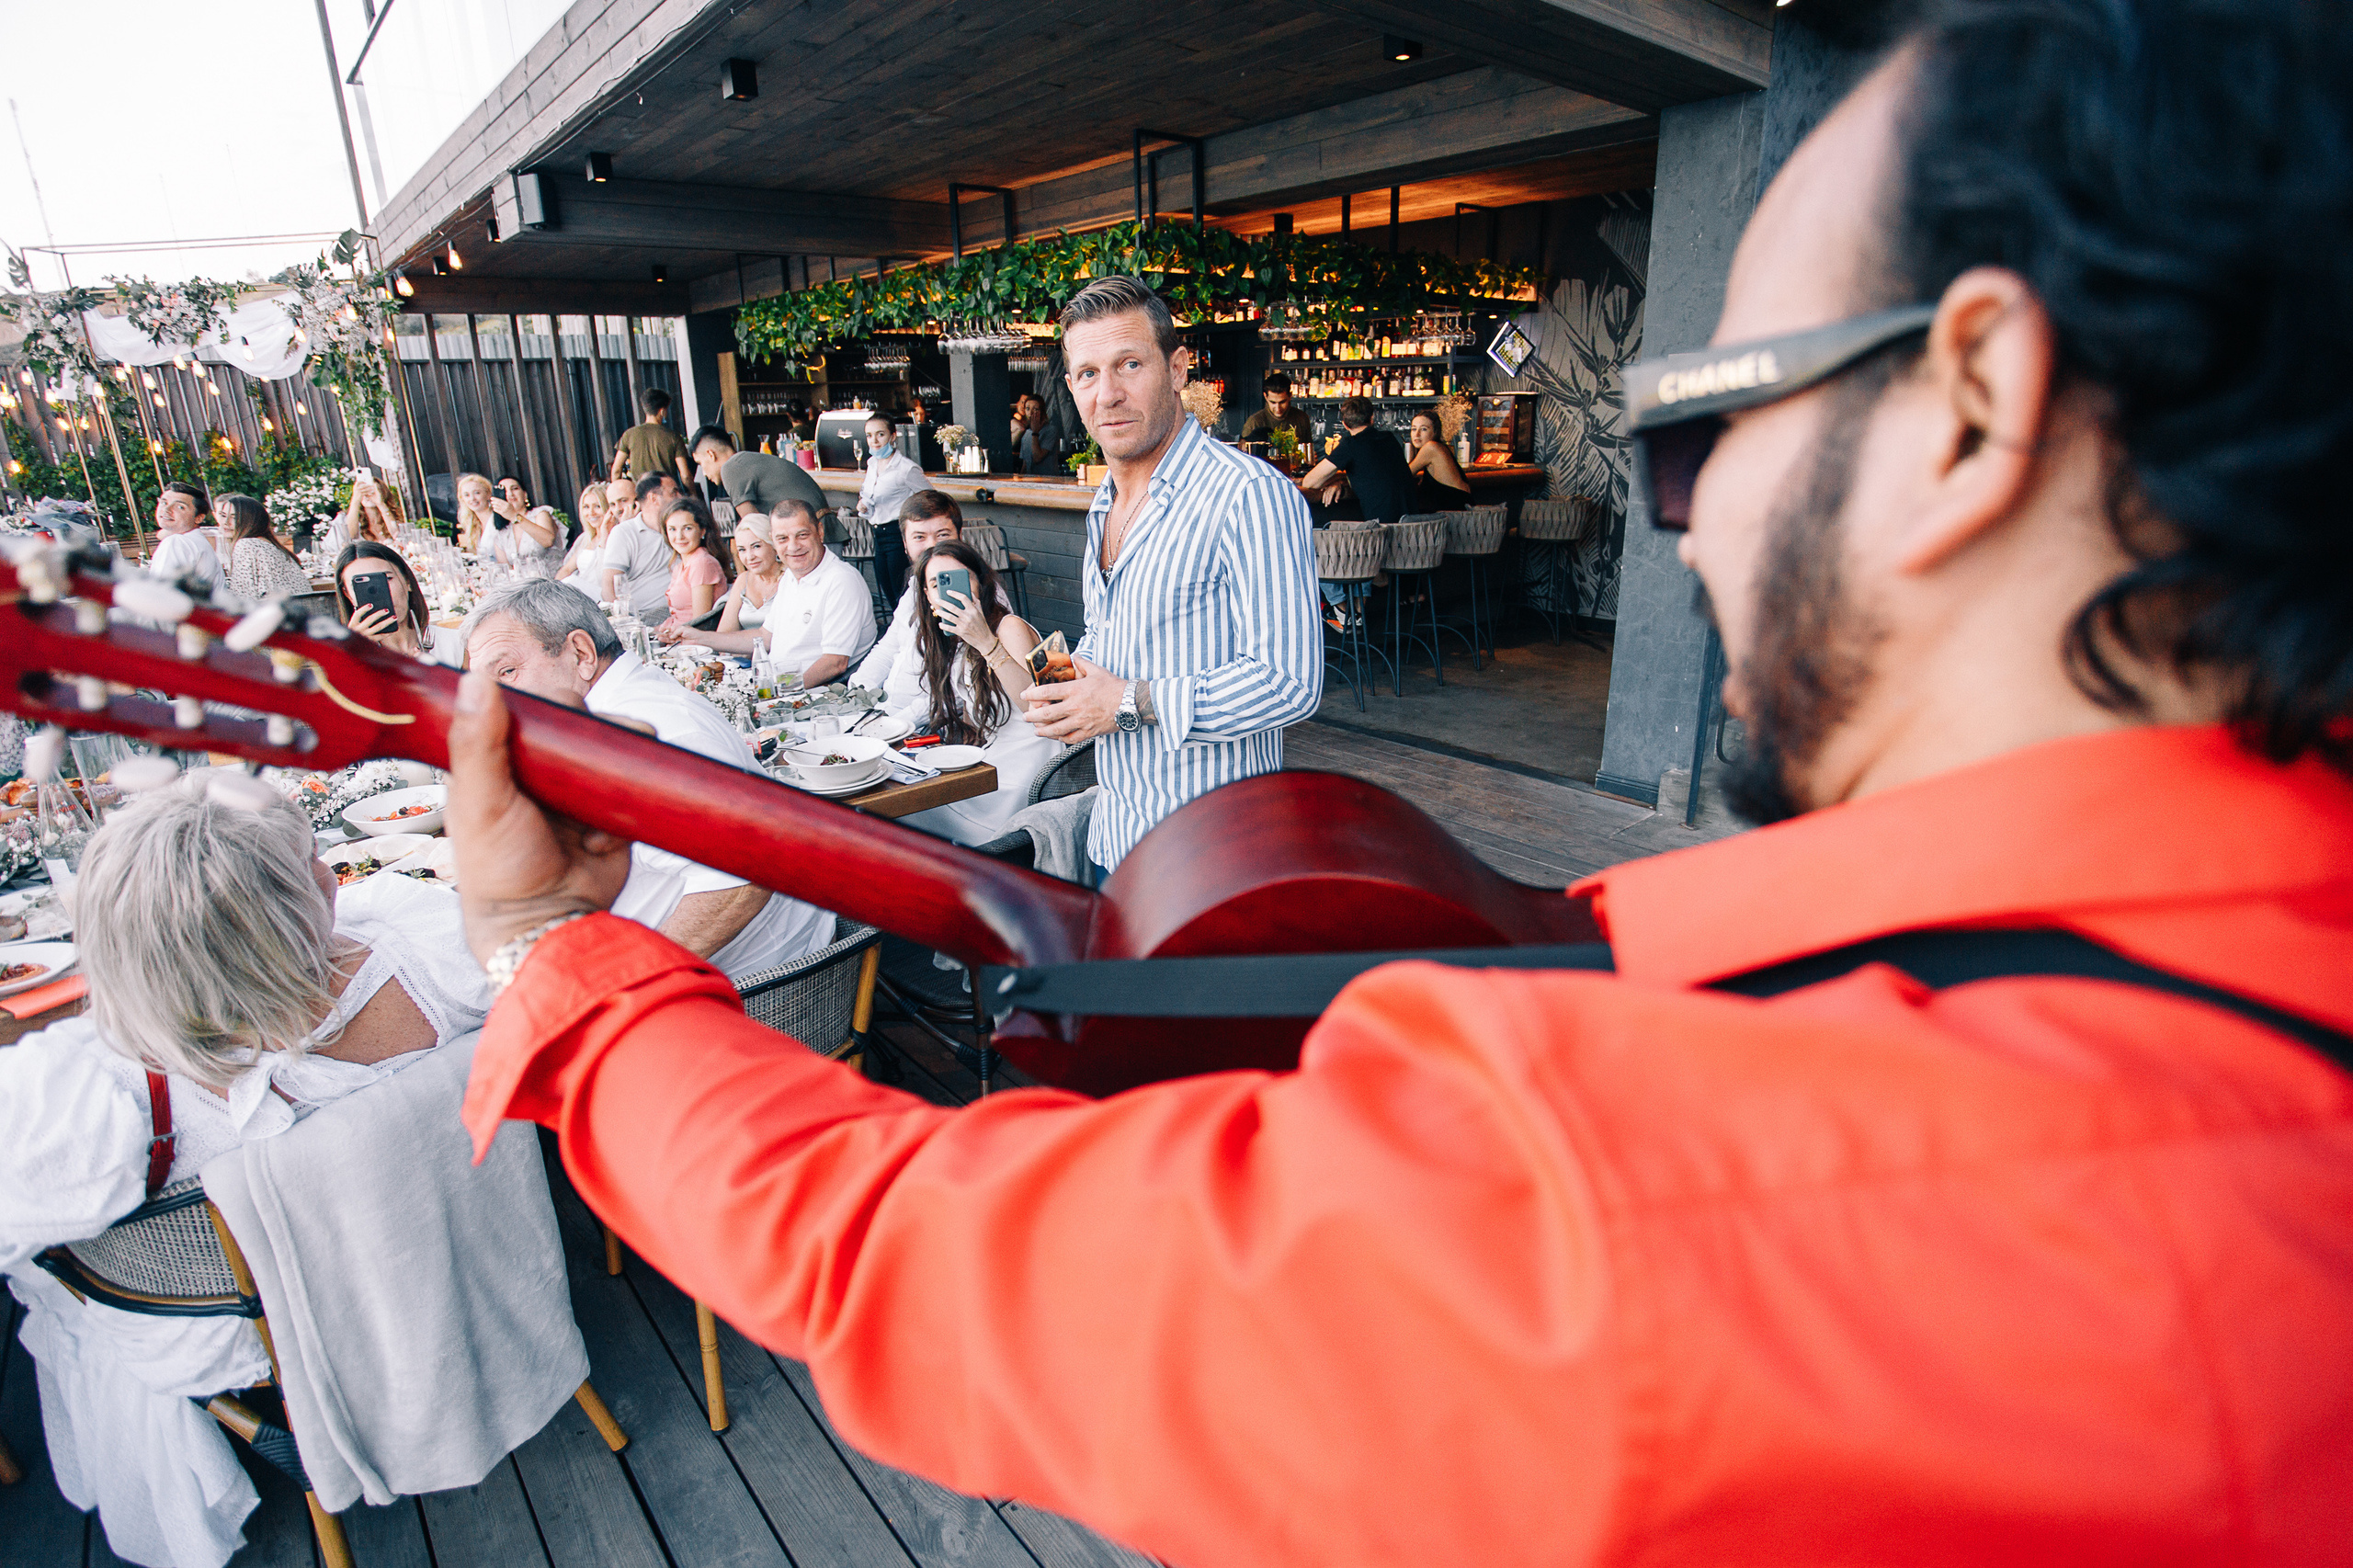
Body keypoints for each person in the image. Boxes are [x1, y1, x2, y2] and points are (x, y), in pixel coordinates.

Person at [442, 2, 2353, 1561]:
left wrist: (557, 955)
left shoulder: (1756, 1187)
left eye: (1700, 426)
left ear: (1969, 410)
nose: (1680, 530)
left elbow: (930, 1268)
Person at [0, 773, 486, 1568]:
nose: (332, 874)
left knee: (44, 1270)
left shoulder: (85, 1098)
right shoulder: (440, 960)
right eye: (310, 864)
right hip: (437, 1248)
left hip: (246, 1331)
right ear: (288, 914)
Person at [1022, 276, 1322, 875]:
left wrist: (1127, 702)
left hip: (1213, 860)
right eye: (1087, 374)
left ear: (1178, 368)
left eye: (1129, 364)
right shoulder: (1104, 503)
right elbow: (1115, 638)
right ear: (1072, 387)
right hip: (1116, 838)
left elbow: (1290, 683)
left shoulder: (1248, 494)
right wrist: (1075, 690)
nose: (1107, 394)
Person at [460, 580, 830, 981]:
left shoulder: (647, 732)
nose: (494, 702)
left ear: (581, 654)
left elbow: (745, 876)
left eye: (507, 672)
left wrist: (628, 984)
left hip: (754, 985)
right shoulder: (610, 713)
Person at [895, 539, 1059, 845]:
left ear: (980, 583)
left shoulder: (1007, 627)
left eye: (960, 579)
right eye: (938, 584)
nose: (951, 592)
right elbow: (978, 716)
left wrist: (986, 643)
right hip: (990, 763)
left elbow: (1037, 707)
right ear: (928, 595)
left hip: (1025, 773)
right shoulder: (954, 643)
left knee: (907, 815)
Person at [692, 498, 875, 686]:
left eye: (802, 535)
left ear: (820, 532)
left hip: (810, 693)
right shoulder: (791, 577)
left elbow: (835, 663)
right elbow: (765, 637)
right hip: (776, 684)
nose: (793, 547)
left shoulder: (841, 580)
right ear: (773, 539)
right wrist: (697, 638)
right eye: (783, 539)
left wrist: (779, 692)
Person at [852, 492, 983, 715]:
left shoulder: (975, 591)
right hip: (885, 711)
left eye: (942, 535)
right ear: (905, 544)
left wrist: (901, 720)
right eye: (919, 537)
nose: (932, 545)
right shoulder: (916, 586)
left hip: (932, 723)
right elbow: (887, 650)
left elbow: (965, 687)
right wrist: (858, 692)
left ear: (960, 537)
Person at [667, 510, 784, 655]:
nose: (749, 557)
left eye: (756, 546)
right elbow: (724, 634)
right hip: (745, 661)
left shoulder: (789, 580)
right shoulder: (743, 580)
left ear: (773, 545)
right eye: (742, 550)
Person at [1296, 398, 1416, 527]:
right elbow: (1371, 475)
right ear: (1372, 418)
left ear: (1345, 424)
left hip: (1383, 529)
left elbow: (1309, 482)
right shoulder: (1389, 438)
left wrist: (1336, 481)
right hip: (1414, 525)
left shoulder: (1350, 445)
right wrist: (1340, 481)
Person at [688, 423, 829, 523]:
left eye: (700, 463)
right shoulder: (745, 461)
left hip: (812, 532)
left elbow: (754, 525)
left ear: (711, 454)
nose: (704, 473)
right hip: (818, 527)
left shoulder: (731, 468)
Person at [334, 542, 442, 663]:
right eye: (360, 586)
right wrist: (353, 657)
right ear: (348, 595)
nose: (379, 592)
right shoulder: (350, 658)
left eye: (387, 578)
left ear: (407, 581)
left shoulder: (450, 642)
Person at [858, 411, 924, 598]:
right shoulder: (872, 464)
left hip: (898, 534)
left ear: (892, 436)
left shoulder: (906, 468)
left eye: (880, 434)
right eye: (869, 435)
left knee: (902, 595)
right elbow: (870, 495)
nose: (874, 441)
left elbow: (930, 498)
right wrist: (863, 504)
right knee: (888, 592)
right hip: (878, 535)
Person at [601, 472, 684, 620]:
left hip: (686, 612)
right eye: (674, 493)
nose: (680, 497)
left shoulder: (681, 527)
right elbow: (609, 586)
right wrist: (625, 622)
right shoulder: (624, 532)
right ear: (653, 498)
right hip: (645, 618)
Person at [654, 497, 730, 635]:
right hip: (674, 634)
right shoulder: (680, 565)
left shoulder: (702, 563)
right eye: (672, 529)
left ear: (702, 531)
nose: (679, 536)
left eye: (687, 528)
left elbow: (700, 624)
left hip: (689, 641)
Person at [217, 493, 309, 601]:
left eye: (235, 517)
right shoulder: (268, 545)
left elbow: (243, 599)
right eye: (223, 515)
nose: (226, 522)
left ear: (251, 521)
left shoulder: (246, 545)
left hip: (278, 610)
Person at [145, 481, 225, 596]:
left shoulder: (178, 542)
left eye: (180, 507)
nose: (167, 509)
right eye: (164, 502)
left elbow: (160, 595)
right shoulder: (195, 541)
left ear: (198, 518)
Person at [609, 386, 691, 485]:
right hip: (666, 490)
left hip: (640, 491)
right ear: (662, 411)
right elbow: (685, 475)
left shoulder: (629, 435)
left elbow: (616, 470)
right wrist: (692, 493)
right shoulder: (674, 437)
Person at [556, 479, 618, 592]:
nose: (591, 513)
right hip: (582, 593)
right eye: (586, 507)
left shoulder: (616, 536)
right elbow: (566, 569)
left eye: (597, 506)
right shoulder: (585, 538)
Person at [322, 474, 402, 558]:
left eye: (372, 491)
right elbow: (349, 537)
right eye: (364, 492)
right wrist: (355, 500)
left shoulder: (392, 516)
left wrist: (380, 503)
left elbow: (397, 535)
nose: (368, 496)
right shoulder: (346, 519)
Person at [1406, 411, 1472, 511]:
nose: (1417, 434)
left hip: (1457, 513)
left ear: (1435, 432)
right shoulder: (1439, 447)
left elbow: (1404, 475)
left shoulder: (1431, 447)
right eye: (1414, 429)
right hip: (1458, 509)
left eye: (1424, 429)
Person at [1238, 371, 1314, 448]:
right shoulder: (1254, 422)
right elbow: (1243, 453)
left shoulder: (1302, 418)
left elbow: (1309, 449)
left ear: (1290, 396)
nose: (1278, 408)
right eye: (1273, 402)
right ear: (1265, 397)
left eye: (1282, 402)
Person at [453, 472, 496, 554]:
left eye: (477, 493)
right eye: (467, 495)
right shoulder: (472, 523)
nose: (472, 498)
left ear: (488, 494)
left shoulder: (497, 520)